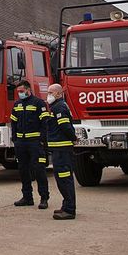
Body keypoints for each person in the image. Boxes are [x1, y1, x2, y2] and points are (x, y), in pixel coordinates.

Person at [10, 80, 50, 209]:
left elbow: (45, 123)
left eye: (21, 91)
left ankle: (44, 198)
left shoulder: (39, 103)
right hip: (21, 143)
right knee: (23, 170)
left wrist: (42, 140)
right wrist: (15, 140)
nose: (20, 94)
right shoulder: (17, 104)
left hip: (35, 143)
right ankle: (27, 197)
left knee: (39, 170)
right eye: (18, 92)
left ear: (28, 90)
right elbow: (13, 123)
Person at [46, 83, 77, 220]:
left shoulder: (59, 107)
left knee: (65, 179)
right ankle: (66, 205)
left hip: (62, 148)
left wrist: (74, 138)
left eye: (51, 92)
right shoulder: (56, 106)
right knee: (61, 179)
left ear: (58, 94)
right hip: (58, 147)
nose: (49, 95)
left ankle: (69, 210)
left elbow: (65, 126)